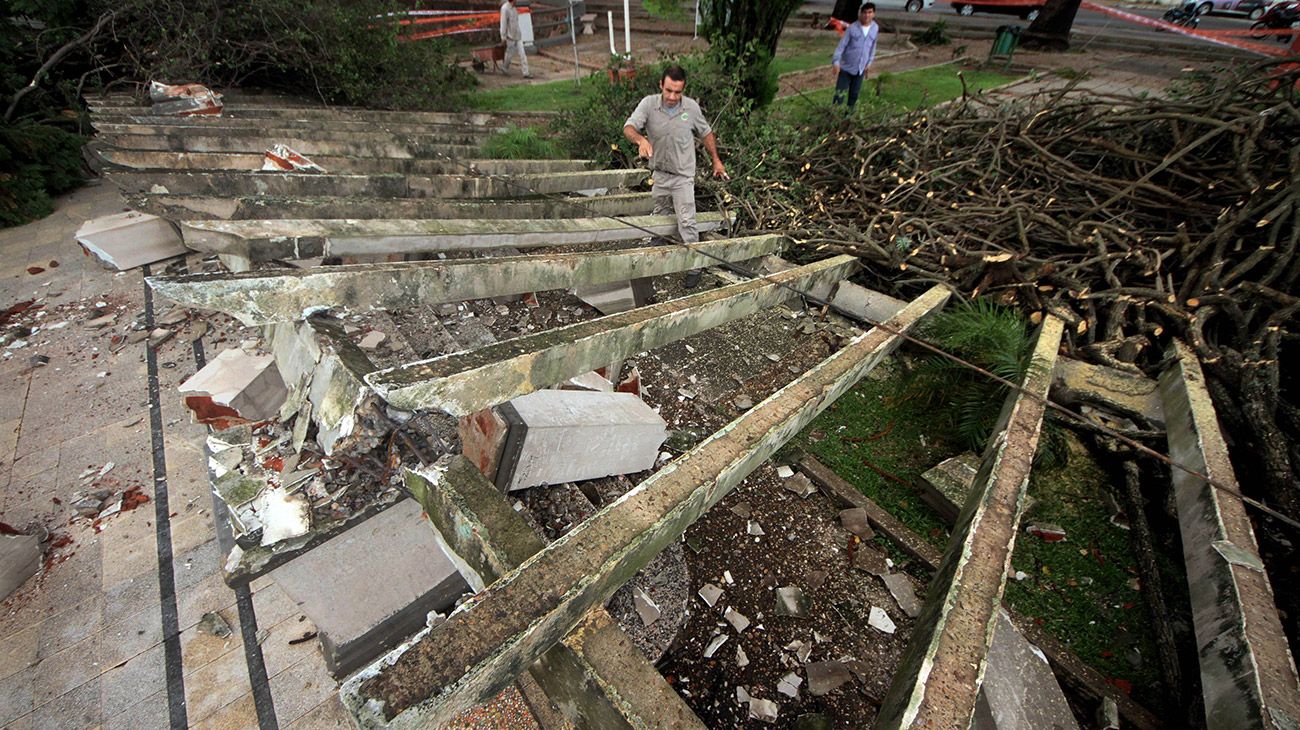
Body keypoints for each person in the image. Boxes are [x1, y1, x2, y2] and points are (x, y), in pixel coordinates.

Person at [623, 66, 728, 287]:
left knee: (687, 220)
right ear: (661, 85)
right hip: (660, 173)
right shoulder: (649, 105)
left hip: (683, 176)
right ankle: (657, 254)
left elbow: (706, 132)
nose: (672, 97)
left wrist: (716, 160)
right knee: (660, 215)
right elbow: (629, 127)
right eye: (669, 90)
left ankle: (694, 265)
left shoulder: (691, 108)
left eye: (677, 92)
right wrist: (641, 140)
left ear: (683, 89)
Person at [831, 3, 878, 110]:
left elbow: (873, 47)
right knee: (839, 96)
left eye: (870, 12)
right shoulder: (852, 28)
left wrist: (869, 63)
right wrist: (836, 62)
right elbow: (841, 47)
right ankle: (833, 119)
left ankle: (849, 120)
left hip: (860, 70)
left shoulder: (875, 28)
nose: (867, 15)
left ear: (873, 14)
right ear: (860, 14)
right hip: (846, 69)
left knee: (854, 96)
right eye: (864, 12)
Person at [499, 0, 532, 79]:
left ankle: (526, 72)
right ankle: (504, 67)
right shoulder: (505, 9)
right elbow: (503, 24)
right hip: (510, 36)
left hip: (517, 35)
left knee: (522, 54)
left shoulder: (513, 8)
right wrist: (503, 37)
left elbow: (516, 21)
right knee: (509, 55)